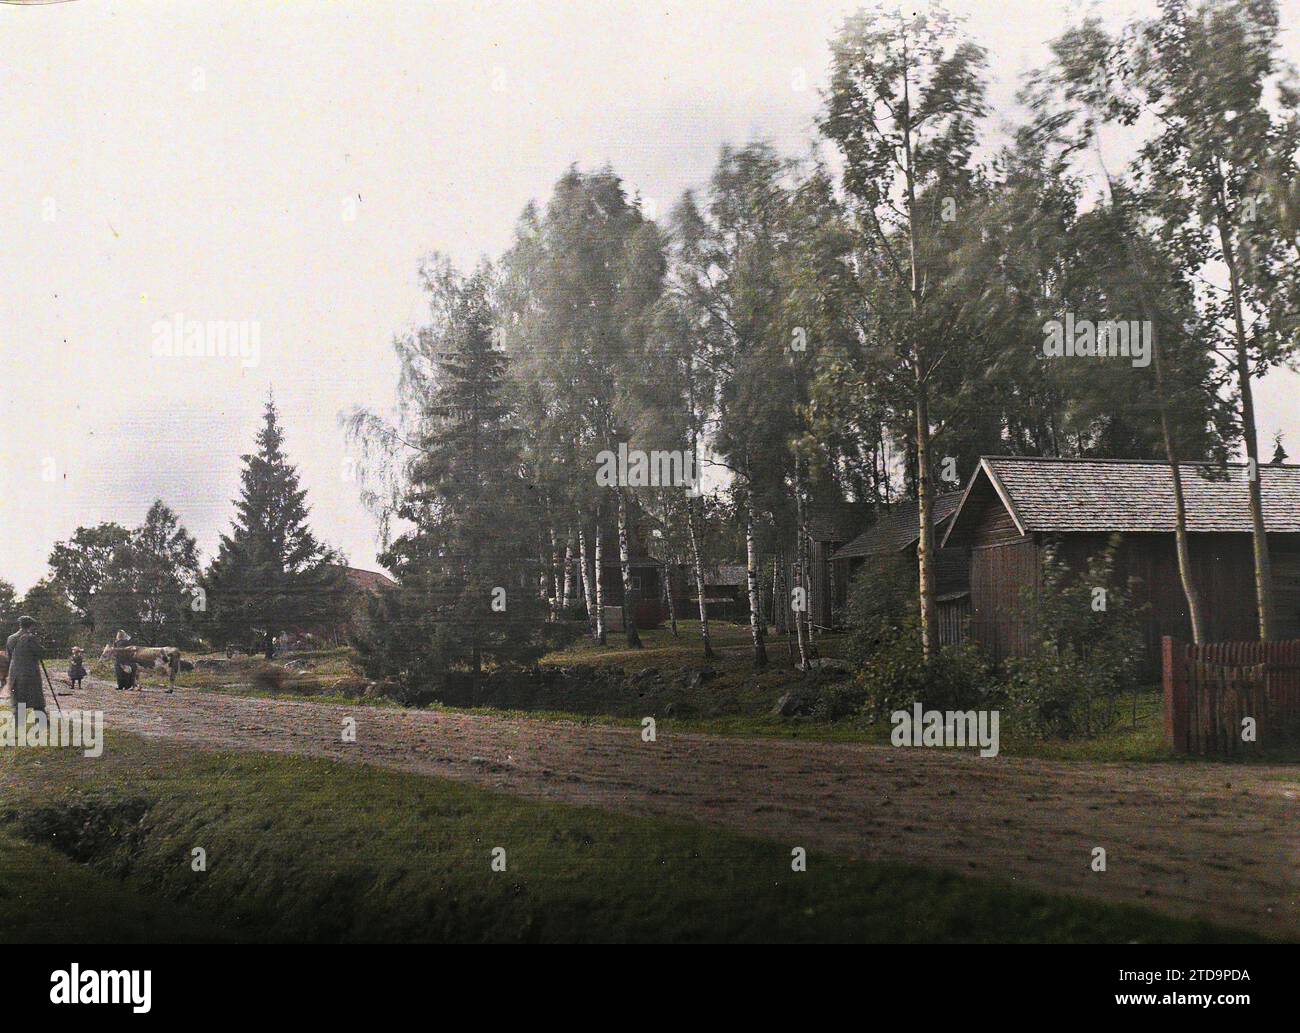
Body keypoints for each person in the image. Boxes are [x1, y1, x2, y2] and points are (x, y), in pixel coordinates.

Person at [5, 616, 46, 714]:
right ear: (31, 626)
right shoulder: (30, 638)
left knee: (19, 698)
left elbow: (9, 656)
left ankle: (19, 722)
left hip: (14, 673)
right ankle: (41, 721)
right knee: (36, 698)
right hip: (30, 673)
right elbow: (41, 653)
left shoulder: (10, 638)